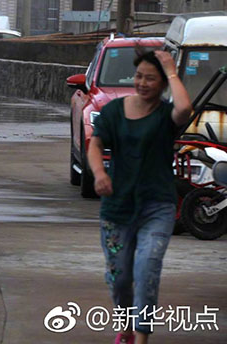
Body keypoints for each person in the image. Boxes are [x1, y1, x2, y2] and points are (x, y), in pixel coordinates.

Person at [87, 49, 193, 344]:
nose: (142, 83)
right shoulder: (113, 111)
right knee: (120, 278)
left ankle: (142, 337)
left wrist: (172, 71)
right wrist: (99, 174)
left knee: (147, 267)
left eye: (151, 78)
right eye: (138, 76)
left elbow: (185, 108)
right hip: (117, 207)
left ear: (162, 84)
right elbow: (95, 146)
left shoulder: (165, 116)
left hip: (157, 205)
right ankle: (125, 325)